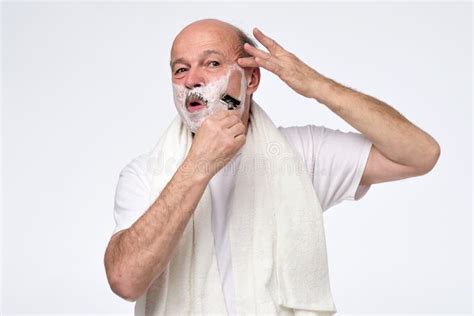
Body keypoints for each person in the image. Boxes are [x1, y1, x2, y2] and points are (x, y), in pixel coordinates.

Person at [104, 19, 440, 315]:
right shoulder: (145, 174)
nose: (192, 79)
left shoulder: (300, 156)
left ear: (251, 80)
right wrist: (198, 164)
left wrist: (316, 86)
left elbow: (419, 154)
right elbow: (126, 281)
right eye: (180, 69)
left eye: (212, 63)